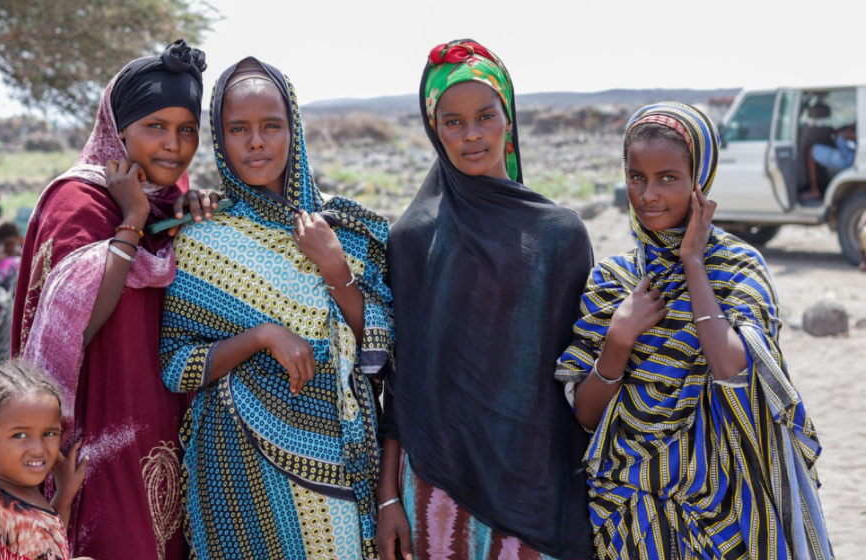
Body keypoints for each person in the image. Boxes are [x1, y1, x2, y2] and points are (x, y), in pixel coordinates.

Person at [555, 102, 834, 559]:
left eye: (668, 177)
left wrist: (693, 264)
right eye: (636, 176)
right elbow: (587, 417)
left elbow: (732, 369)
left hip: (729, 504)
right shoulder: (612, 281)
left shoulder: (738, 268)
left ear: (700, 180)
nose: (648, 194)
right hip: (630, 507)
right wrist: (618, 340)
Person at [159, 57, 394, 559]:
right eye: (237, 129)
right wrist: (262, 335)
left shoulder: (347, 232)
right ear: (220, 140)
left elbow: (383, 357)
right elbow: (177, 367)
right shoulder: (200, 239)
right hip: (237, 469)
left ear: (295, 129)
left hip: (339, 461)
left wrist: (335, 270)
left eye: (271, 126)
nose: (256, 142)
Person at [377, 40, 594, 560]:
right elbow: (397, 381)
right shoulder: (412, 238)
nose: (471, 134)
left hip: (534, 492)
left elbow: (575, 380)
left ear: (509, 118)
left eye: (485, 116)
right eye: (452, 122)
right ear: (434, 130)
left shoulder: (560, 236)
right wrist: (387, 496)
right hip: (434, 489)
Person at [12, 39, 217, 560]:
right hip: (97, 439)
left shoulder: (169, 204)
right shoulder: (77, 203)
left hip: (162, 432)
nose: (174, 145)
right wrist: (130, 224)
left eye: (187, 129)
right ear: (117, 129)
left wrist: (185, 225)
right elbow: (73, 329)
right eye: (155, 127)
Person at [0, 360, 91, 560]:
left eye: (49, 433)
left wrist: (64, 496)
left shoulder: (23, 495)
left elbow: (45, 544)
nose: (38, 449)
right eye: (20, 435)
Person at [0, 222, 22, 362]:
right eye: (6, 244)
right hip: (3, 294)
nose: (10, 247)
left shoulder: (21, 252)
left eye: (12, 243)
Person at [805, 122, 857, 201]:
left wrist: (844, 131)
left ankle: (814, 190)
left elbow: (846, 135)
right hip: (850, 154)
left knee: (811, 151)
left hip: (849, 158)